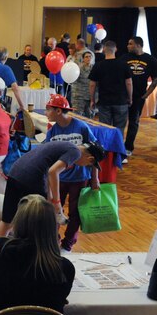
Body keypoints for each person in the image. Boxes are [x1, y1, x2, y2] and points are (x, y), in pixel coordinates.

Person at [0, 140, 104, 237]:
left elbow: (47, 171)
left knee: (7, 220)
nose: (85, 166)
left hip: (15, 173)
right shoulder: (75, 153)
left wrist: (50, 196)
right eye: (89, 165)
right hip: (32, 178)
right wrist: (57, 202)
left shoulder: (66, 145)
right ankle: (35, 254)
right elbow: (53, 172)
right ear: (90, 159)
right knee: (38, 224)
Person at [43, 94, 100, 251]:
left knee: (75, 212)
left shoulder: (81, 127)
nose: (45, 113)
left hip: (80, 178)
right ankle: (53, 242)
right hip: (58, 179)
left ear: (59, 111)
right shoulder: (52, 131)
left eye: (48, 109)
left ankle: (67, 244)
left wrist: (95, 178)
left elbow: (94, 152)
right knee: (54, 211)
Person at [121, 37, 157, 156]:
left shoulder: (150, 60)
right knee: (120, 122)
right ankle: (117, 146)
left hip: (139, 96)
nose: (128, 46)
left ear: (138, 45)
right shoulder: (124, 58)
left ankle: (128, 147)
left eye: (130, 44)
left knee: (134, 121)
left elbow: (156, 78)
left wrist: (147, 94)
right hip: (123, 96)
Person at [88, 41, 133, 133]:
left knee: (104, 129)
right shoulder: (124, 64)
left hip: (104, 101)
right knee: (119, 129)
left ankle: (106, 147)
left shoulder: (98, 65)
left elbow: (92, 84)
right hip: (121, 101)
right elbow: (129, 83)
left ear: (104, 50)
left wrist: (92, 99)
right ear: (115, 49)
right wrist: (130, 97)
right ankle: (117, 146)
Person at [71, 51, 95, 117]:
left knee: (90, 115)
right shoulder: (78, 69)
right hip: (80, 96)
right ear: (83, 59)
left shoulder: (94, 68)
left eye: (90, 57)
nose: (88, 58)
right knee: (78, 115)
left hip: (90, 96)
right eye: (86, 57)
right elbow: (74, 82)